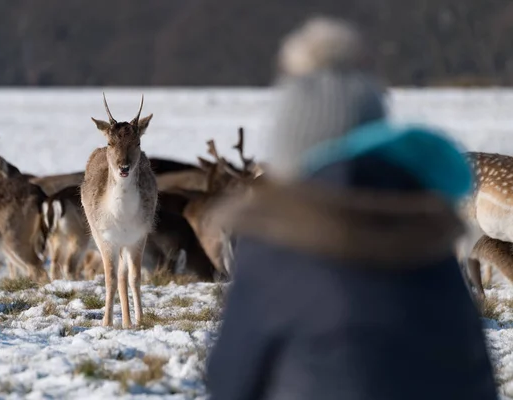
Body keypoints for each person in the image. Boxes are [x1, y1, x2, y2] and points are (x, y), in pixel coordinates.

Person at [206, 16, 498, 400]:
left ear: (293, 152)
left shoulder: (274, 247)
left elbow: (230, 379)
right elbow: (476, 376)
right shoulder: (427, 242)